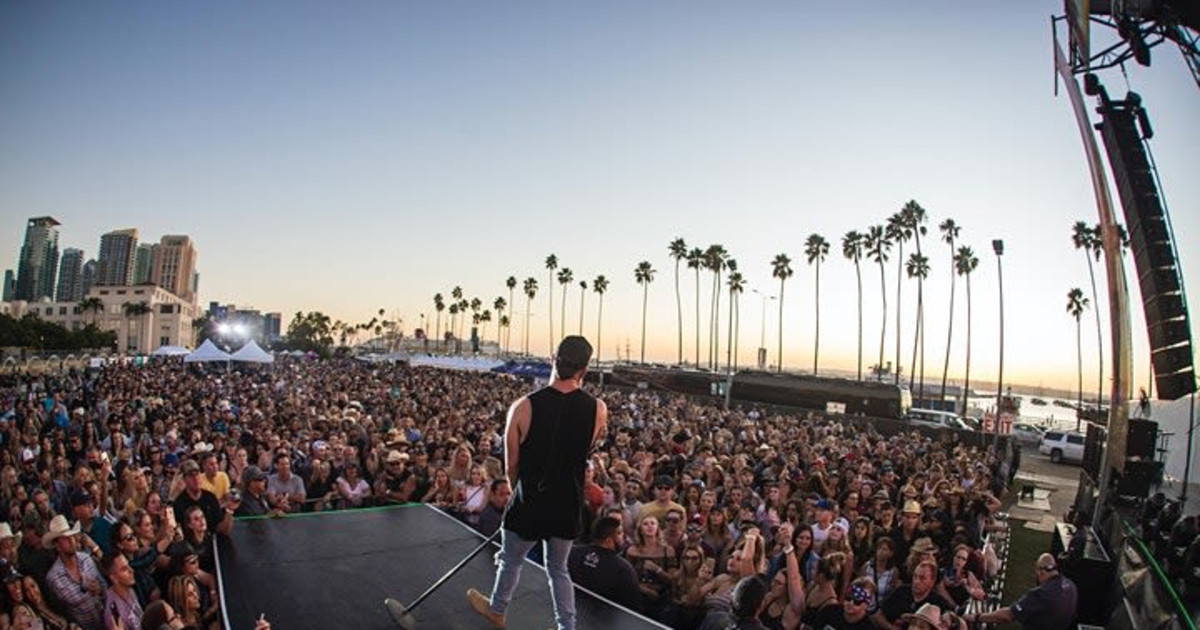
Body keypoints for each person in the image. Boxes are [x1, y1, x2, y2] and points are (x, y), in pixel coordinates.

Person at [467, 336, 608, 630]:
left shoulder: (523, 406)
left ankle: (497, 610)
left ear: (552, 360)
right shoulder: (598, 409)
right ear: (584, 370)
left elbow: (512, 464)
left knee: (511, 560)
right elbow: (586, 449)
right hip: (567, 501)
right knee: (558, 569)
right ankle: (566, 627)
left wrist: (519, 492)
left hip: (530, 498)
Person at [965, 553, 1078, 629]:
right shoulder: (1071, 586)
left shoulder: (1041, 594)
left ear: (1041, 572)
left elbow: (1008, 615)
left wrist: (977, 617)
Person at [44, 514, 107, 630]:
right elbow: (61, 610)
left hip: (106, 621)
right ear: (57, 545)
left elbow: (104, 586)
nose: (71, 540)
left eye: (72, 536)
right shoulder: (54, 578)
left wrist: (100, 590)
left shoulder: (86, 559)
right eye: (65, 538)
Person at [567, 516, 641, 611]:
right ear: (608, 540)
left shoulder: (571, 553)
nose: (623, 536)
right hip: (602, 617)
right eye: (619, 533)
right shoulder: (623, 568)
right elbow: (634, 606)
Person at [101, 553, 143, 630]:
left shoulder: (129, 588)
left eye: (128, 565)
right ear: (114, 578)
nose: (132, 570)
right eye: (124, 569)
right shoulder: (113, 615)